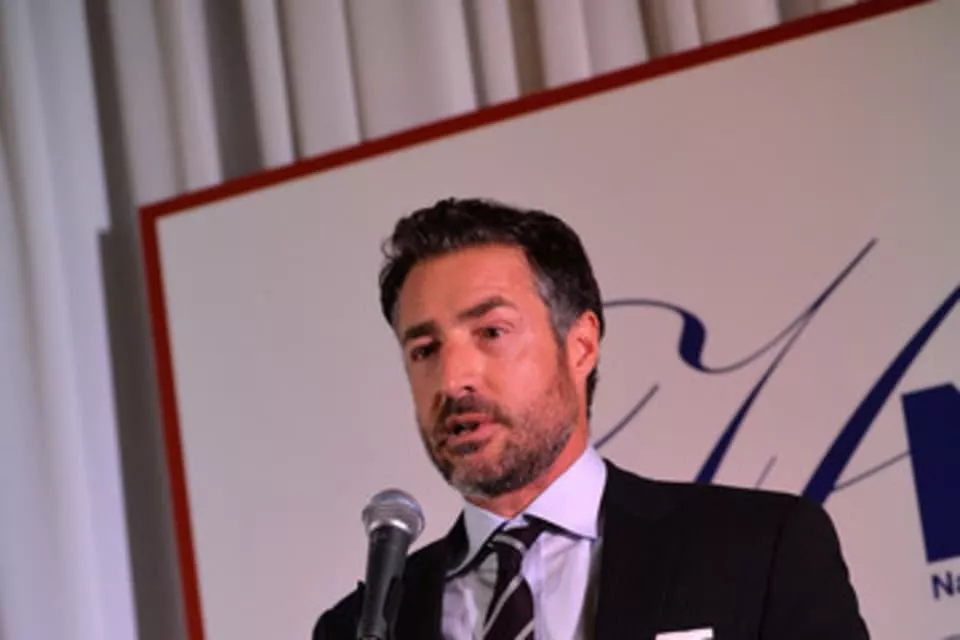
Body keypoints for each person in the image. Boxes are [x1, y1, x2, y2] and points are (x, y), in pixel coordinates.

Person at [313, 198, 869, 640]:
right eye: (425, 350)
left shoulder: (759, 550)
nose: (454, 378)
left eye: (492, 332)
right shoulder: (359, 628)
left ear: (580, 347)